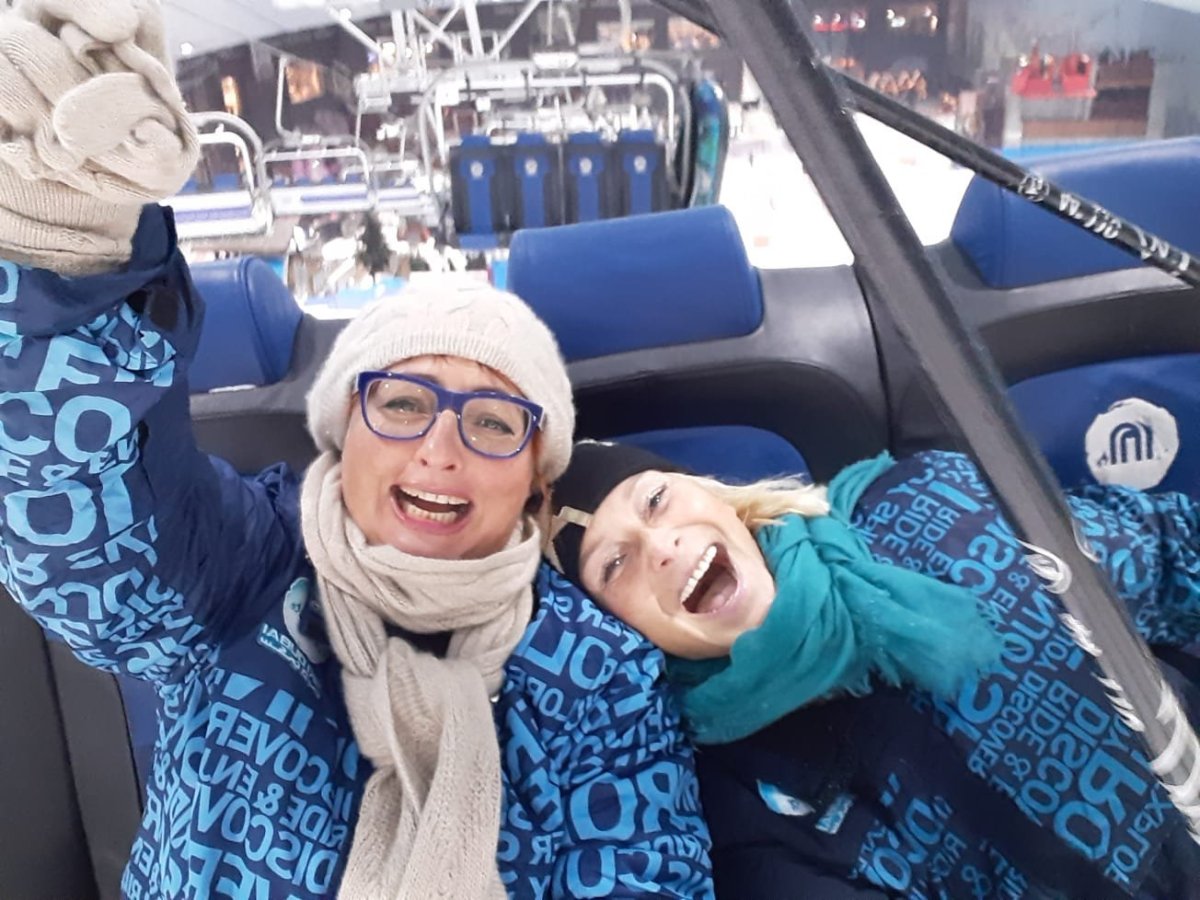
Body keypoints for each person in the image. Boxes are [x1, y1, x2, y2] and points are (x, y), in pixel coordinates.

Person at [0, 2, 712, 898]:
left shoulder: (598, 673)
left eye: (494, 422)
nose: (440, 449)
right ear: (343, 440)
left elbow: (649, 876)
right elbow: (86, 529)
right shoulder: (249, 568)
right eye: (403, 404)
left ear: (537, 476)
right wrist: (66, 250)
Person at [548, 441, 1200, 898]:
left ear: (711, 494)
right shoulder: (735, 798)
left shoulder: (925, 496)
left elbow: (1172, 557)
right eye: (614, 564)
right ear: (614, 631)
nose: (661, 547)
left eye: (656, 499)